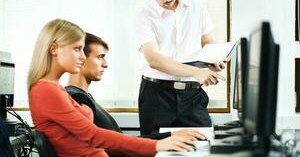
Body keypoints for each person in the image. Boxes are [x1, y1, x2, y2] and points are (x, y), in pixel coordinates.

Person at [28, 19, 197, 157]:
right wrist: (158, 144)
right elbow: (93, 135)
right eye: (77, 49)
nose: (82, 56)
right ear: (54, 49)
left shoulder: (53, 89)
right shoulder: (45, 91)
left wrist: (165, 140)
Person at [136, 0, 228, 135]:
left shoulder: (196, 5)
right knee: (155, 149)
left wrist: (214, 58)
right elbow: (154, 60)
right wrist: (196, 72)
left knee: (203, 144)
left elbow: (207, 40)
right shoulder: (144, 15)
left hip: (192, 95)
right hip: (156, 95)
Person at [66, 32, 205, 140]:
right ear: (80, 58)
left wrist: (172, 135)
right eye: (100, 57)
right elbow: (113, 145)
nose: (105, 64)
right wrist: (169, 138)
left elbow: (117, 141)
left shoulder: (82, 97)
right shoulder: (77, 99)